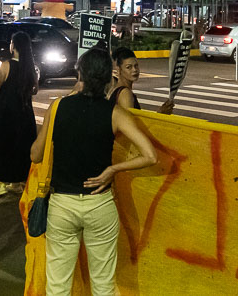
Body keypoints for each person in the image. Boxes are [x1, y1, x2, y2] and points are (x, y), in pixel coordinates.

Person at [31, 49, 158, 296]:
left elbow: (35, 155)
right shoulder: (114, 113)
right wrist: (113, 169)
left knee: (57, 285)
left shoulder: (58, 107)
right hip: (99, 205)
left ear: (81, 74)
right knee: (103, 285)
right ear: (108, 78)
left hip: (62, 205)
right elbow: (150, 155)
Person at [0, 31, 38, 196]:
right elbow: (35, 90)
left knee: (4, 147)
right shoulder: (31, 67)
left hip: (7, 115)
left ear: (14, 46)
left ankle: (2, 183)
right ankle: (16, 182)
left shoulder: (6, 65)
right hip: (25, 115)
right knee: (21, 148)